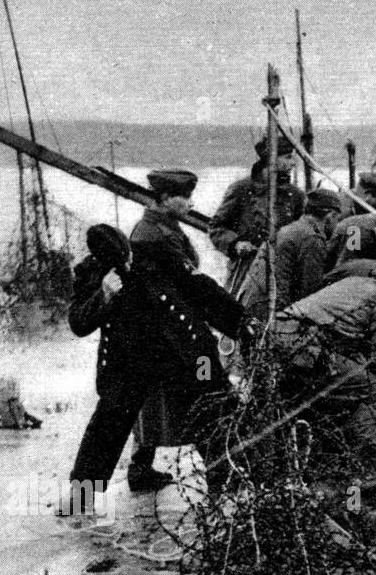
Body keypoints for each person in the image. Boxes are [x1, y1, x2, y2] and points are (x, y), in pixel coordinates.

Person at [64, 175, 245, 506]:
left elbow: (202, 290)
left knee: (212, 406)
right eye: (123, 263)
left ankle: (226, 481)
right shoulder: (92, 274)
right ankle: (81, 496)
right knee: (108, 423)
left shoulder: (155, 254)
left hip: (182, 349)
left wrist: (244, 325)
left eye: (130, 258)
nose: (130, 267)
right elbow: (78, 323)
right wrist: (103, 296)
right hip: (130, 358)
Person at [270, 227, 376, 477]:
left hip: (281, 336)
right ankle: (369, 471)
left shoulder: (356, 282)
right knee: (372, 387)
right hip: (302, 347)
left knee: (343, 379)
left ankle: (315, 462)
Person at [209, 138, 305, 294]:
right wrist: (236, 244)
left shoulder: (295, 195)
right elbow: (216, 227)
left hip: (282, 271)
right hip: (246, 269)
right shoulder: (241, 189)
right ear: (271, 160)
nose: (293, 163)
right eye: (287, 157)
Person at [237, 187, 344, 320]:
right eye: (337, 219)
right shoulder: (312, 238)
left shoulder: (292, 228)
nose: (336, 225)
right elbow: (310, 294)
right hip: (270, 313)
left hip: (252, 304)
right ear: (330, 216)